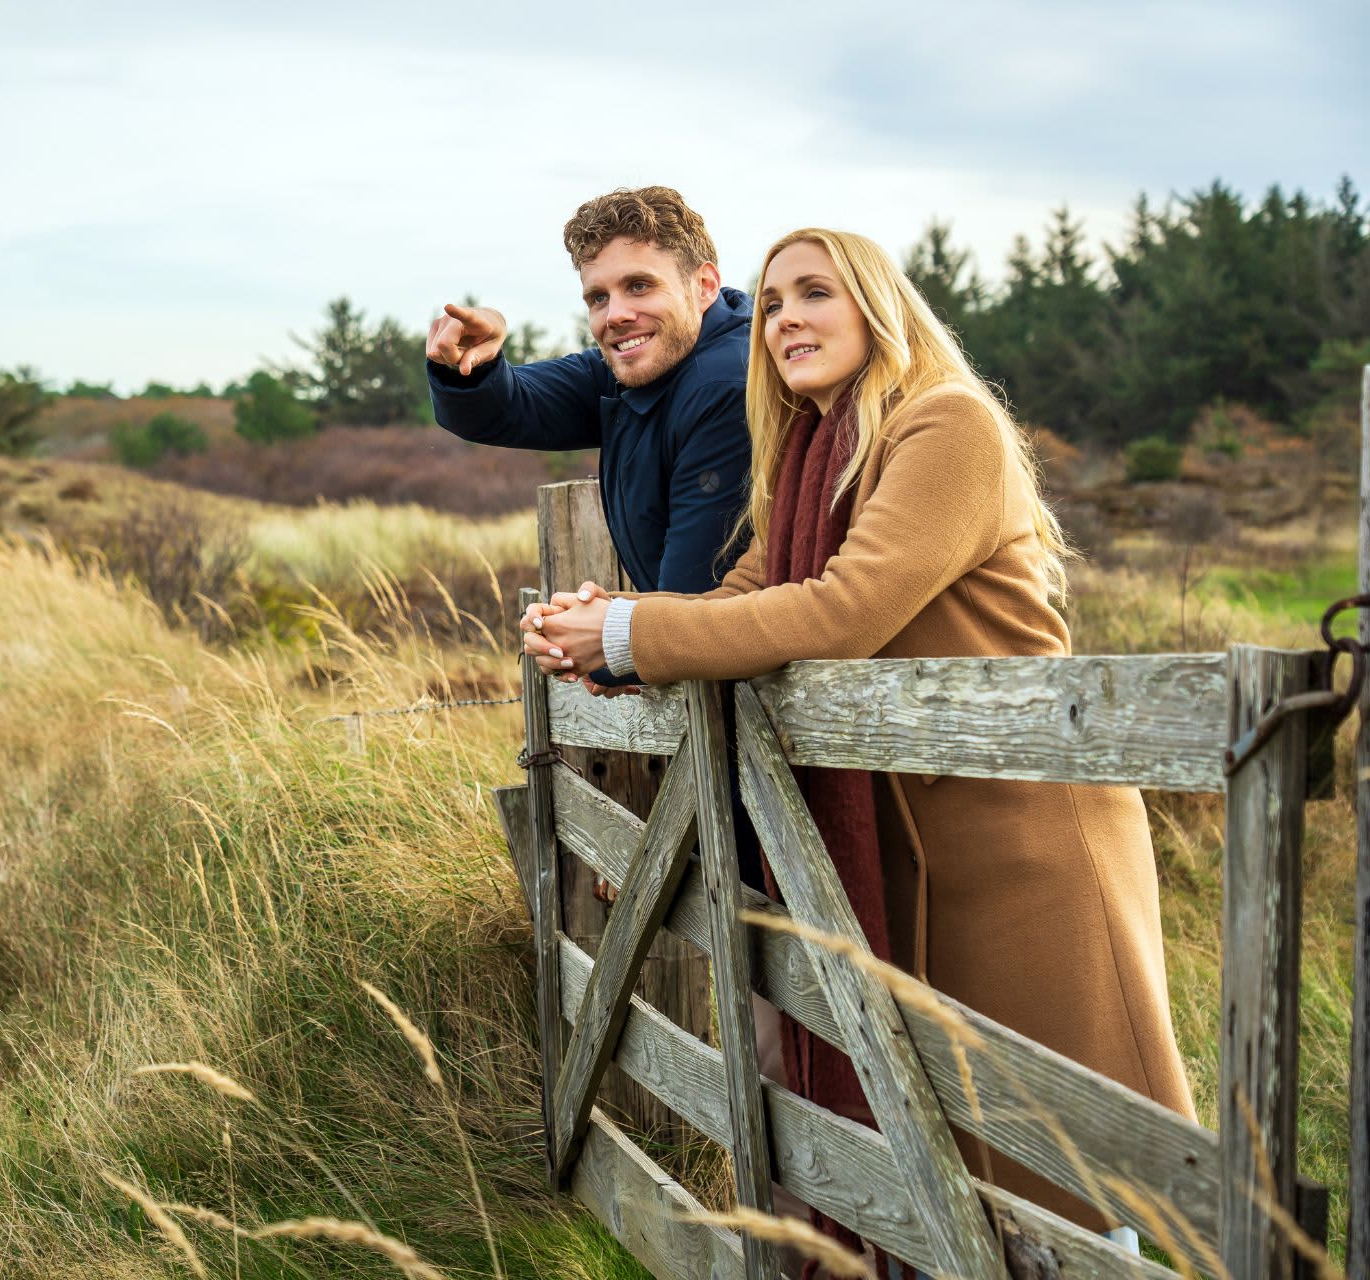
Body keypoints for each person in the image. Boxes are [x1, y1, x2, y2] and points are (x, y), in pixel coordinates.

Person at [521, 227, 1193, 1254]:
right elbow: (745, 595)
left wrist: (628, 632)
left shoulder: (945, 424)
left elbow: (841, 609)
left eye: (816, 294)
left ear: (879, 307)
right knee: (942, 1159)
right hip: (909, 843)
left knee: (1068, 1163)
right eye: (776, 303)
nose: (788, 318)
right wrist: (601, 621)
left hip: (1021, 851)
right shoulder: (806, 459)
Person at [425, 185, 753, 622]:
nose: (614, 314)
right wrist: (470, 364)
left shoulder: (726, 386)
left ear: (705, 285)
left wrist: (598, 646)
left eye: (639, 286)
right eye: (598, 297)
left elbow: (694, 605)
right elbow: (506, 409)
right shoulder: (641, 365)